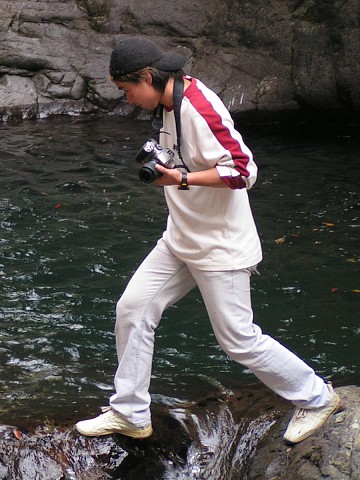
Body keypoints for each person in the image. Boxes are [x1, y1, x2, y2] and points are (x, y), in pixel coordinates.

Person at [75, 36, 341, 444]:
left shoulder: (198, 106)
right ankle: (130, 411)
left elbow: (243, 170)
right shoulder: (167, 105)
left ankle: (318, 398)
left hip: (221, 247)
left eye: (127, 90)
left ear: (147, 77)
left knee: (238, 338)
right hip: (181, 238)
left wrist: (181, 177)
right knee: (132, 309)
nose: (127, 100)